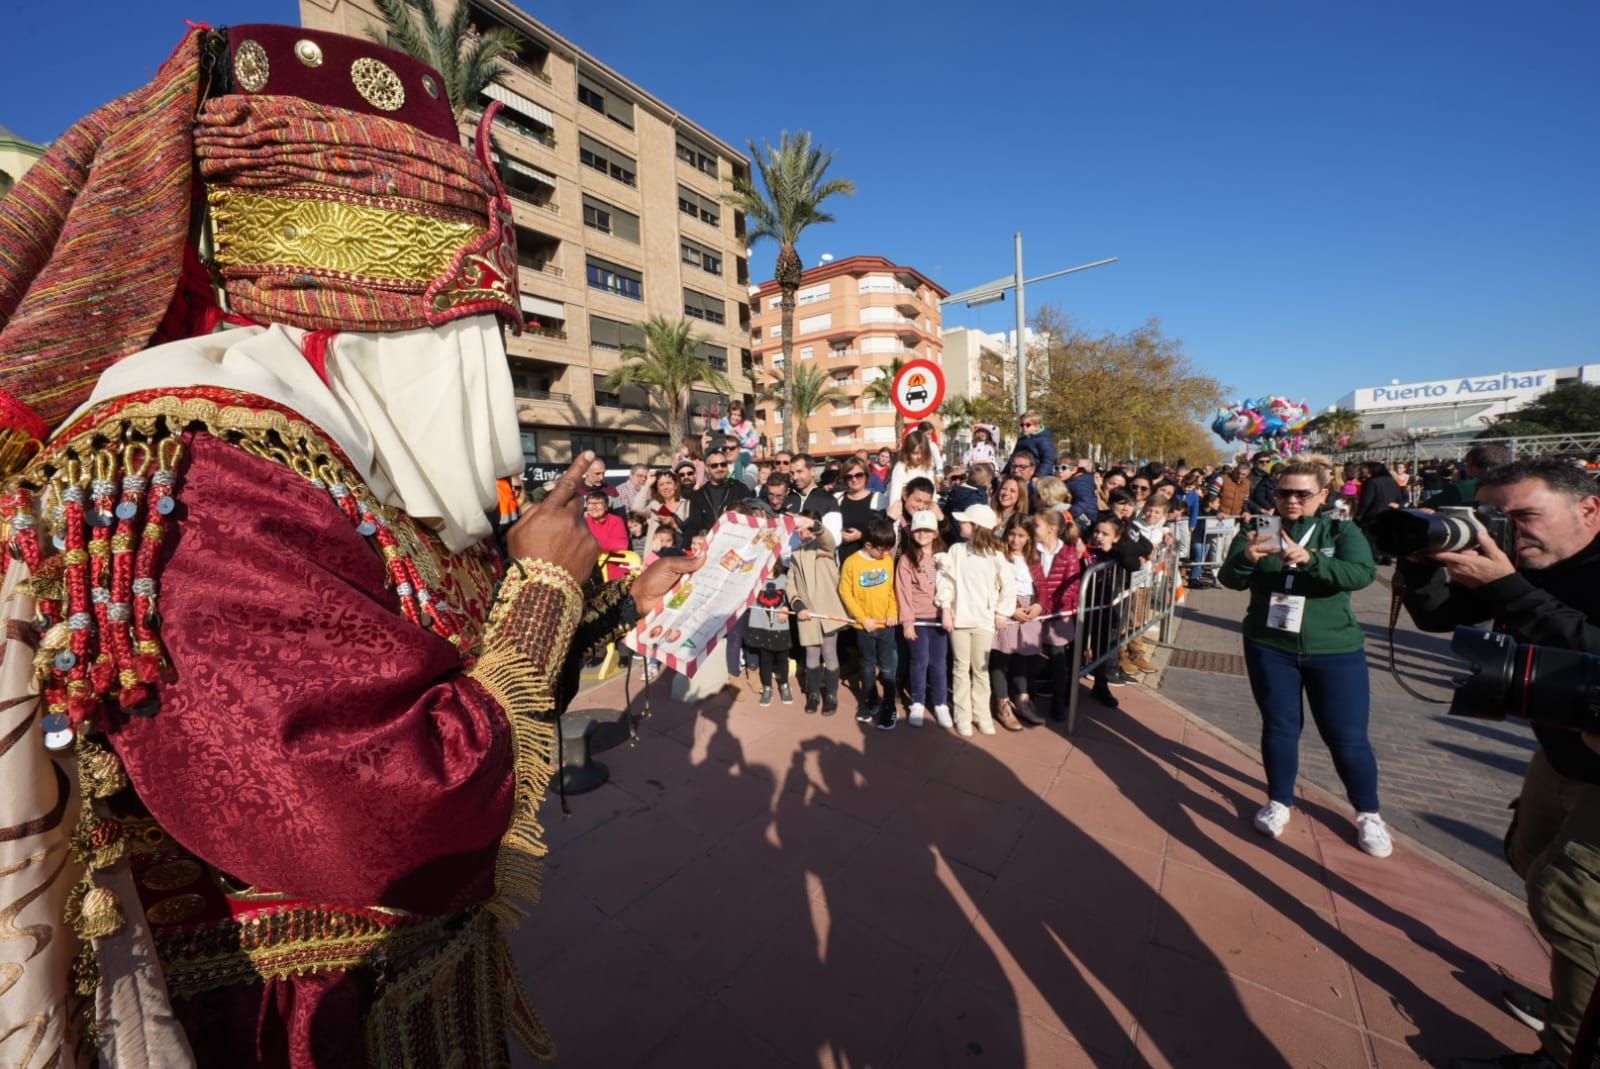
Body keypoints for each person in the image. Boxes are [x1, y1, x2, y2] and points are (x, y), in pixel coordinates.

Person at [0, 25, 706, 1065]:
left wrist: (620, 598)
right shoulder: (205, 473)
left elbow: (449, 657)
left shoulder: (337, 461)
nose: (491, 403)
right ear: (372, 320)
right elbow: (385, 815)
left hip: (413, 998)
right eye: (472, 349)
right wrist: (547, 588)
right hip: (301, 1030)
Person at [1397, 459, 1600, 1069]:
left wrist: (1508, 585)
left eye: (1524, 516)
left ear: (1589, 511)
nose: (1509, 533)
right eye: (1493, 519)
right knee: (1529, 854)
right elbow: (1436, 616)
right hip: (1562, 751)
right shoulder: (1524, 561)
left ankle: (1570, 1052)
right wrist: (1420, 556)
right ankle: (1574, 993)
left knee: (1567, 894)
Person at [1217, 458, 1390, 857]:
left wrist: (1313, 560)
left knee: (1346, 738)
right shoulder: (1260, 529)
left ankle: (1368, 814)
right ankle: (1279, 801)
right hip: (1269, 645)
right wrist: (1248, 559)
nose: (1291, 500)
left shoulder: (1340, 530)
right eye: (1284, 493)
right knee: (1279, 727)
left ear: (1322, 496)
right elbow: (1229, 578)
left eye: (1302, 494)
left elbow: (1360, 575)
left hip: (1334, 650)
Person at [939, 505, 1014, 737]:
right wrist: (945, 609)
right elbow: (946, 580)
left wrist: (1002, 612)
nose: (960, 525)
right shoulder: (956, 551)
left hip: (984, 621)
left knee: (981, 671)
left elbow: (1008, 586)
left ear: (977, 527)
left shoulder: (996, 556)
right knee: (960, 669)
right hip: (959, 619)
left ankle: (982, 715)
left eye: (965, 522)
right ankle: (963, 715)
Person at [838, 517, 900, 730]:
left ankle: (890, 706)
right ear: (868, 545)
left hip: (886, 626)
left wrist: (892, 613)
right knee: (867, 665)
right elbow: (845, 592)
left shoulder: (887, 561)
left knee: (887, 668)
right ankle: (870, 700)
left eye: (888, 549)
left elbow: (892, 590)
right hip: (863, 627)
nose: (885, 554)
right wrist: (862, 618)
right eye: (882, 549)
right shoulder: (852, 563)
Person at [789, 512, 849, 714]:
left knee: (829, 653)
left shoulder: (826, 547)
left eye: (807, 528)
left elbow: (826, 537)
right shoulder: (795, 554)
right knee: (811, 655)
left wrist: (812, 524)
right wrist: (797, 605)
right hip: (807, 613)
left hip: (828, 611)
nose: (804, 532)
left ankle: (831, 695)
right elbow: (791, 584)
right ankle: (813, 693)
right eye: (800, 529)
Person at [992, 515, 1047, 730]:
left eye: (1021, 536)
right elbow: (995, 585)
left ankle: (1023, 700)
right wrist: (1011, 609)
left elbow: (1043, 585)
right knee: (1000, 657)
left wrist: (1039, 605)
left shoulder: (1033, 558)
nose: (1015, 540)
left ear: (1029, 538)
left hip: (1029, 610)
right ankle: (1002, 703)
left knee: (1022, 659)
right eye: (1012, 535)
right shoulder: (999, 557)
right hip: (1008, 611)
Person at [897, 510, 951, 729]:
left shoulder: (944, 557)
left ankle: (940, 703)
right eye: (918, 530)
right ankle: (917, 702)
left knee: (939, 663)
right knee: (919, 662)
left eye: (927, 530)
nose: (922, 534)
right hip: (918, 620)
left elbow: (951, 587)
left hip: (940, 620)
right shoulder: (907, 559)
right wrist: (907, 621)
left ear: (936, 533)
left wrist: (951, 613)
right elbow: (904, 592)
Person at [1035, 508, 1085, 721]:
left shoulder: (1068, 553)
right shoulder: (1031, 549)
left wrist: (1053, 607)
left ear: (1051, 529)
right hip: (1034, 609)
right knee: (1028, 654)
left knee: (1057, 656)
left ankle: (1059, 702)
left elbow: (1072, 585)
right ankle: (1025, 697)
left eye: (1036, 525)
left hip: (1057, 612)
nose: (1032, 528)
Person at [743, 565, 795, 706]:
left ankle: (784, 685)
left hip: (780, 627)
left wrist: (787, 606)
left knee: (782, 658)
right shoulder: (756, 580)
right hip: (762, 626)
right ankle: (767, 687)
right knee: (765, 659)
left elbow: (792, 595)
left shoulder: (784, 579)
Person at [684, 449, 753, 538]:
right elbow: (694, 526)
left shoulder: (739, 488)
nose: (719, 468)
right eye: (714, 466)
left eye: (723, 464)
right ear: (707, 469)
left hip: (736, 540)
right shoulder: (699, 495)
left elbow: (752, 514)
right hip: (709, 544)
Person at [1422, 442, 1512, 508]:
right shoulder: (1519, 486)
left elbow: (1425, 508)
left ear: (1474, 464)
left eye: (1468, 463)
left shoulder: (1462, 488)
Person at [835, 457, 887, 562]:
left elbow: (886, 533)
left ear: (866, 475)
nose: (854, 479)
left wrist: (862, 535)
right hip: (843, 562)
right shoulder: (837, 499)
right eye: (849, 476)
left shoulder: (879, 499)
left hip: (870, 564)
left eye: (858, 475)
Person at [1355, 461, 1407, 562]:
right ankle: (1386, 557)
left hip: (1374, 513)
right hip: (1390, 512)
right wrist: (1398, 505)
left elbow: (1366, 501)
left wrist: (1359, 514)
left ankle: (1374, 556)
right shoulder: (1392, 481)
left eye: (1367, 468)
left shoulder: (1372, 482)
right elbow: (1400, 497)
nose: (1364, 470)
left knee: (1371, 536)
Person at [887, 428, 940, 516]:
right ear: (907, 452)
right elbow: (894, 500)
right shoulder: (901, 468)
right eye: (915, 453)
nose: (919, 457)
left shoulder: (928, 468)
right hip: (904, 514)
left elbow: (932, 496)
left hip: (922, 512)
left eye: (922, 453)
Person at [584, 489, 631, 580]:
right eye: (590, 503)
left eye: (598, 503)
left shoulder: (616, 521)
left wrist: (593, 543)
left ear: (606, 507)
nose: (594, 507)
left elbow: (621, 544)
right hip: (587, 566)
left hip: (612, 565)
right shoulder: (582, 522)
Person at [641, 469, 692, 549]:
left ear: (675, 486)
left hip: (680, 556)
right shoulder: (654, 506)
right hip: (656, 557)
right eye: (661, 485)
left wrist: (674, 524)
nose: (665, 487)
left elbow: (692, 532)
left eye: (668, 483)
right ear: (658, 489)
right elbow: (637, 507)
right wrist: (647, 484)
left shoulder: (688, 505)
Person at [721, 400, 759, 482]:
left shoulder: (747, 425)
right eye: (734, 414)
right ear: (729, 413)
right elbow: (719, 438)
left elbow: (755, 440)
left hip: (744, 453)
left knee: (738, 462)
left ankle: (738, 484)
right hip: (728, 452)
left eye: (739, 415)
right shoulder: (724, 423)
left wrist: (741, 440)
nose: (736, 417)